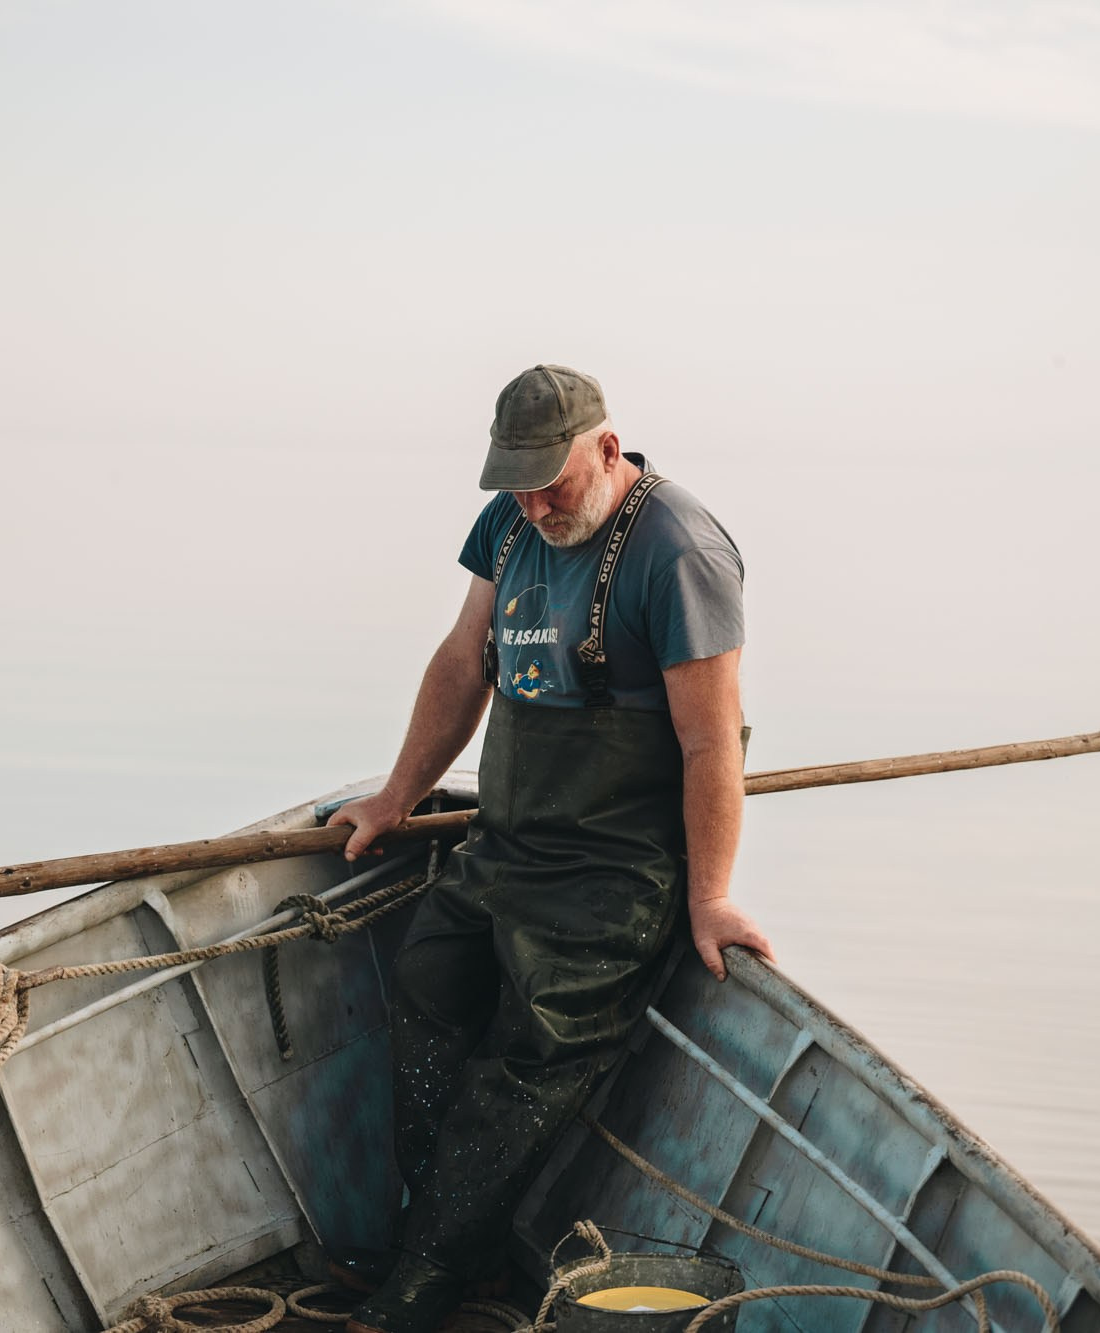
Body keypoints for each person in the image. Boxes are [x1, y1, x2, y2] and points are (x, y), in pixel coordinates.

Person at [326, 364, 774, 1333]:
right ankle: (448, 1240)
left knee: (529, 1056)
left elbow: (709, 743)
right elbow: (460, 663)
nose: (533, 505)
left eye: (551, 484)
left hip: (614, 873)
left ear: (607, 451)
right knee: (425, 984)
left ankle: (430, 1274)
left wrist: (709, 897)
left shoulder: (678, 551)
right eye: (514, 484)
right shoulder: (508, 526)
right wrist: (393, 798)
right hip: (507, 842)